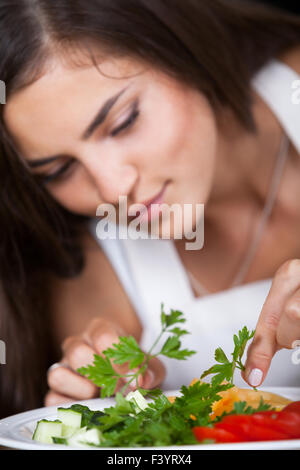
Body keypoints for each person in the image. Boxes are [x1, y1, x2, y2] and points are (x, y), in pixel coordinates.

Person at [0, 0, 300, 419]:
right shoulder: (97, 265)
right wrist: (100, 390)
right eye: (60, 170)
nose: (113, 188)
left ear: (184, 51)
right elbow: (104, 378)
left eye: (124, 121)